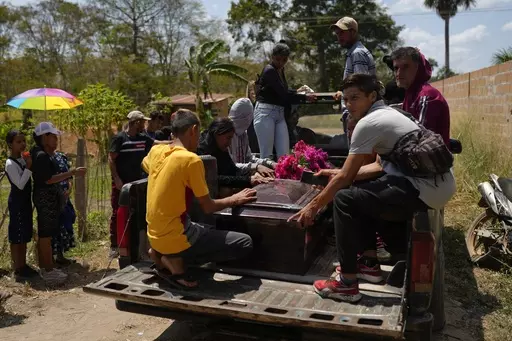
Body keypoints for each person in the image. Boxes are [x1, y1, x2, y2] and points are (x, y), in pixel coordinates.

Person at [288, 74, 455, 303]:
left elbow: (346, 178)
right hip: (438, 185)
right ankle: (369, 264)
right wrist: (335, 173)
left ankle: (346, 284)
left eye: (355, 98)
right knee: (362, 191)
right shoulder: (391, 113)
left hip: (423, 188)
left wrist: (313, 207)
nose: (349, 104)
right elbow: (377, 166)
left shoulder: (368, 123)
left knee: (344, 199)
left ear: (372, 96)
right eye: (345, 99)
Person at [142, 109, 256, 289]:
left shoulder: (157, 151)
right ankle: (176, 265)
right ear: (193, 130)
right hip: (177, 237)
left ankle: (159, 254)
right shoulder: (191, 160)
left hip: (154, 237)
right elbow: (208, 207)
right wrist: (236, 198)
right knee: (244, 243)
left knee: (205, 228)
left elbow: (147, 165)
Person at [31, 122, 87, 286]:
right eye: (53, 136)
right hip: (45, 197)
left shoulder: (44, 154)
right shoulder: (41, 156)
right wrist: (72, 173)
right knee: (45, 235)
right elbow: (48, 179)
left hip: (49, 197)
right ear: (44, 137)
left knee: (47, 234)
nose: (56, 139)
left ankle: (48, 266)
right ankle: (48, 270)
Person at [254, 40, 316, 159]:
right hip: (266, 112)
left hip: (279, 113)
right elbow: (283, 93)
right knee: (267, 154)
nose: (281, 63)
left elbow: (283, 90)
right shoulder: (269, 70)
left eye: (284, 60)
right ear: (272, 57)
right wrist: (304, 96)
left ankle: (283, 176)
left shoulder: (280, 70)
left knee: (284, 155)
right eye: (278, 59)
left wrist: (297, 91)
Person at [108, 111, 154, 256]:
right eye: (142, 122)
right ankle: (115, 245)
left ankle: (134, 242)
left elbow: (157, 144)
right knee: (118, 212)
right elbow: (111, 159)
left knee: (138, 211)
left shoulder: (143, 138)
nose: (144, 124)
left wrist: (174, 141)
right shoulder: (119, 138)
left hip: (138, 184)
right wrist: (116, 178)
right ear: (135, 122)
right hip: (122, 184)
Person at [391, 47, 450, 145]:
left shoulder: (426, 96)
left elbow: (420, 137)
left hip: (429, 158)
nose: (399, 73)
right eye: (396, 68)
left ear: (417, 67)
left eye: (405, 67)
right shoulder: (411, 93)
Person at [197, 117, 272, 190]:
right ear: (217, 134)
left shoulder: (220, 147)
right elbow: (213, 178)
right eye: (228, 138)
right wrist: (248, 180)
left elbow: (233, 170)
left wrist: (252, 175)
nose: (229, 143)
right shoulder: (202, 151)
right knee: (225, 190)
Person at [331, 16, 376, 135]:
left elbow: (360, 88)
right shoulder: (355, 52)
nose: (339, 36)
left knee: (358, 152)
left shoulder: (357, 53)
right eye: (337, 33)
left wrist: (355, 119)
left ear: (353, 32)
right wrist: (342, 91)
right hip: (356, 114)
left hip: (357, 116)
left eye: (342, 33)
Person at [5, 130, 39, 282]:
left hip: (25, 201)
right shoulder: (10, 163)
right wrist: (29, 167)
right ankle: (17, 267)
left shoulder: (23, 160)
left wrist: (28, 164)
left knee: (24, 233)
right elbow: (19, 184)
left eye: (23, 141)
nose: (22, 144)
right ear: (10, 144)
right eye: (18, 142)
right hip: (17, 202)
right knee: (17, 234)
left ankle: (23, 264)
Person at [228, 98, 276, 174]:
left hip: (243, 174)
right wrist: (256, 167)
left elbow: (249, 158)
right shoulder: (227, 136)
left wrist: (270, 163)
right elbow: (232, 166)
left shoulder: (243, 134)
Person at [51, 151, 77, 265]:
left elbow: (69, 176)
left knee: (67, 221)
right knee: (55, 226)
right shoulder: (44, 158)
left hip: (65, 197)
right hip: (53, 198)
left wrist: (68, 190)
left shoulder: (61, 156)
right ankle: (52, 258)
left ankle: (61, 256)